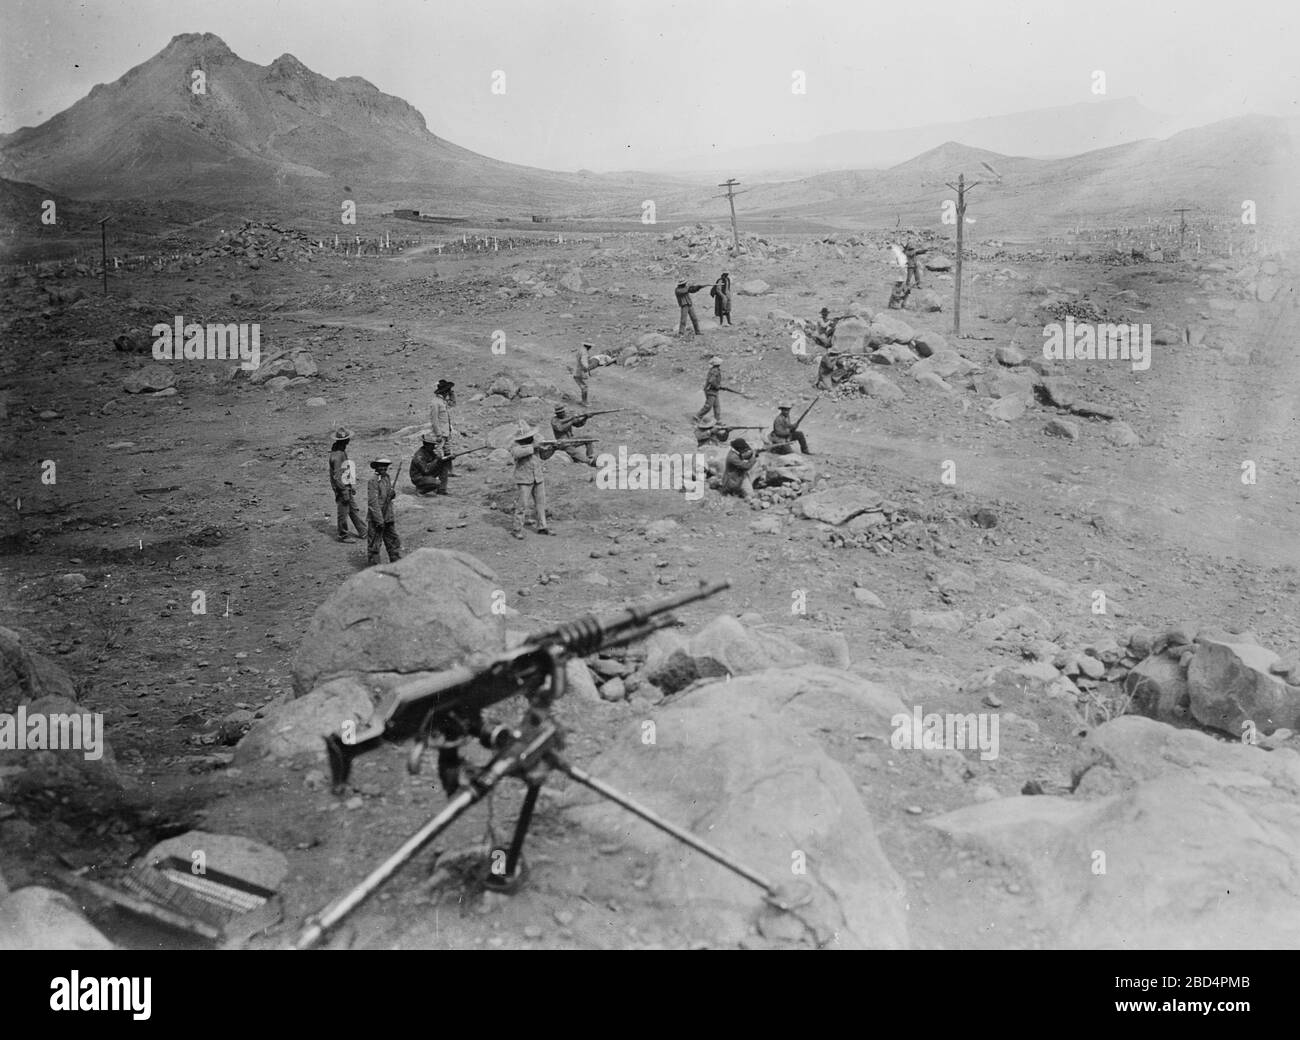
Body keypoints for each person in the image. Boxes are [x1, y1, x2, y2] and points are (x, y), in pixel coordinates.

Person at [510, 423, 553, 539]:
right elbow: (517, 453)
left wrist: (551, 449)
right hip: (524, 479)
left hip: (538, 477)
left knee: (540, 503)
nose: (530, 438)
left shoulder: (534, 445)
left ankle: (542, 526)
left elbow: (544, 456)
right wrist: (534, 447)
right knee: (522, 505)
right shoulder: (516, 446)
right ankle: (517, 529)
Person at [329, 426, 365, 542]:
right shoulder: (338, 455)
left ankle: (363, 531)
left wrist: (350, 485)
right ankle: (342, 535)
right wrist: (344, 490)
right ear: (345, 441)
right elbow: (337, 477)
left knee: (353, 509)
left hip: (346, 486)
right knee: (343, 511)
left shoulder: (341, 451)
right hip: (341, 488)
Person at [366, 459, 402, 564]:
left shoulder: (387, 477)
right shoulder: (373, 480)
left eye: (385, 466)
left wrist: (392, 494)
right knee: (375, 544)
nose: (383, 468)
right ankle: (374, 568)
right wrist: (379, 520)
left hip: (388, 516)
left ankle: (396, 563)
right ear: (376, 467)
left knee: (393, 541)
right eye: (381, 466)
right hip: (376, 518)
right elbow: (373, 503)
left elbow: (388, 494)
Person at [694, 356, 723, 422]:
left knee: (717, 406)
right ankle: (697, 416)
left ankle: (717, 420)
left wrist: (718, 386)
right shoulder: (715, 370)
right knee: (708, 406)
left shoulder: (715, 370)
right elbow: (711, 381)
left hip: (714, 390)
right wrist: (717, 386)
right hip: (711, 390)